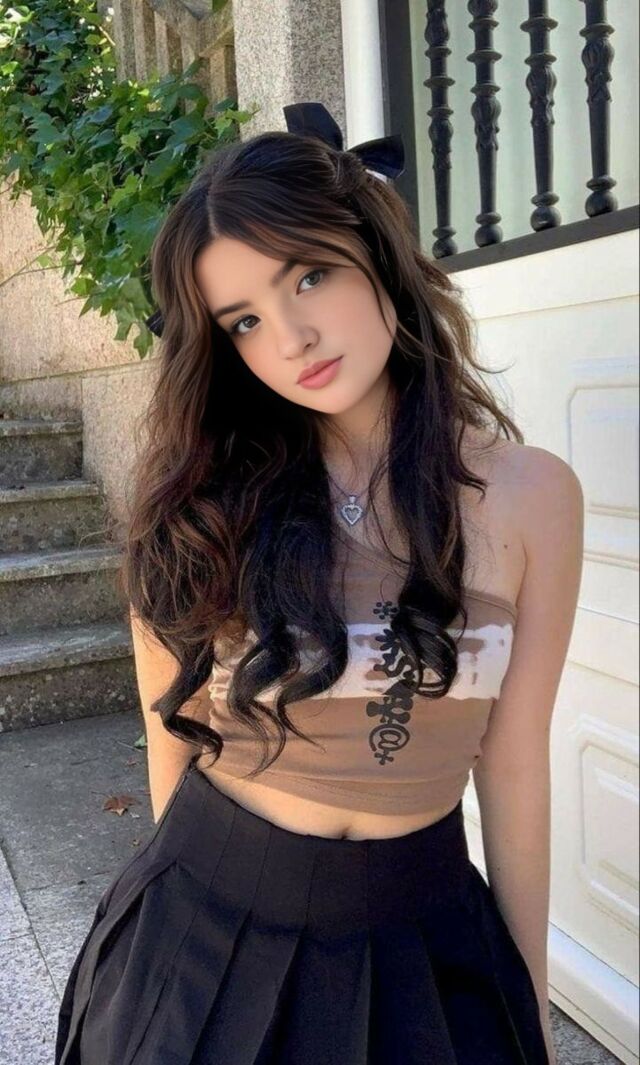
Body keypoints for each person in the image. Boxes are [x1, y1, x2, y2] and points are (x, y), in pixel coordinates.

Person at [54, 102, 583, 1065]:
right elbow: (171, 742)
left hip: (429, 936)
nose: (293, 336)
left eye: (309, 274)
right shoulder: (201, 503)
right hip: (203, 930)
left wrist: (530, 1004)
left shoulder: (531, 495)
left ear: (375, 253)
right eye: (246, 320)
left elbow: (514, 765)